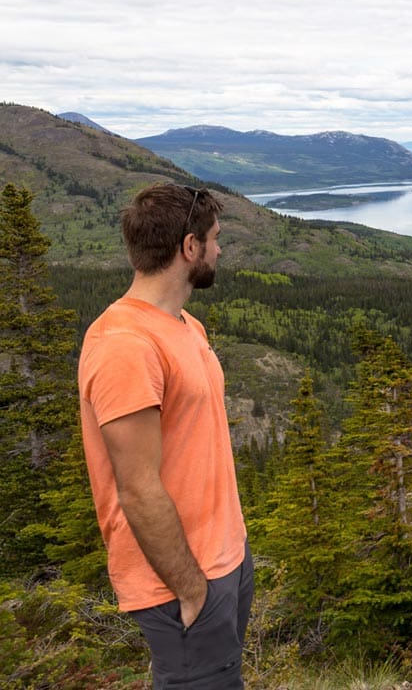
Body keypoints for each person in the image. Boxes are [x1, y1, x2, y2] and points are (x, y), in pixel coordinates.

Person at [78, 183, 252, 689]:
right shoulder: (124, 345)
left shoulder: (184, 326)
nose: (219, 250)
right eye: (215, 238)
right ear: (189, 247)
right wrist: (191, 589)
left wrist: (234, 556)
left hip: (224, 558)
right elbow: (137, 487)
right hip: (182, 578)